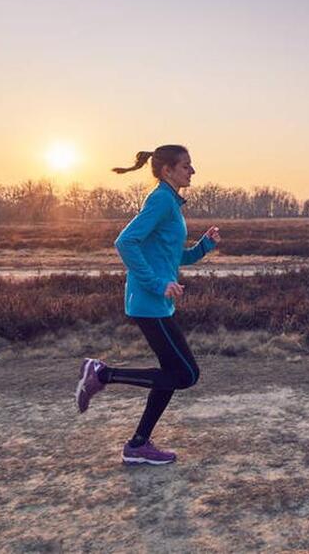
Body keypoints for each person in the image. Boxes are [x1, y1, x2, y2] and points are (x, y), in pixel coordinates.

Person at [74, 144, 220, 466]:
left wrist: (204, 246)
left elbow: (173, 255)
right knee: (186, 375)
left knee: (172, 373)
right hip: (149, 302)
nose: (192, 171)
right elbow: (125, 242)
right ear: (167, 170)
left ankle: (138, 444)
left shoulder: (170, 203)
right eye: (186, 166)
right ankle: (101, 374)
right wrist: (158, 284)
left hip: (157, 304)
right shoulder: (160, 201)